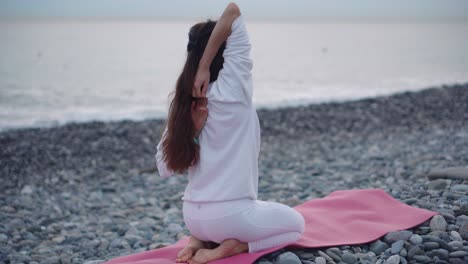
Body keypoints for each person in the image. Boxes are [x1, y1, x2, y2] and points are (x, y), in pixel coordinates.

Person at [155, 2, 305, 264]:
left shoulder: (184, 105)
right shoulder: (233, 90)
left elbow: (164, 167)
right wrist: (205, 66)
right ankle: (232, 248)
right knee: (297, 225)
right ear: (224, 55)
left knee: (225, 221)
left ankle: (198, 241)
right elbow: (233, 12)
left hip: (193, 216)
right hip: (232, 216)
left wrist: (192, 131)